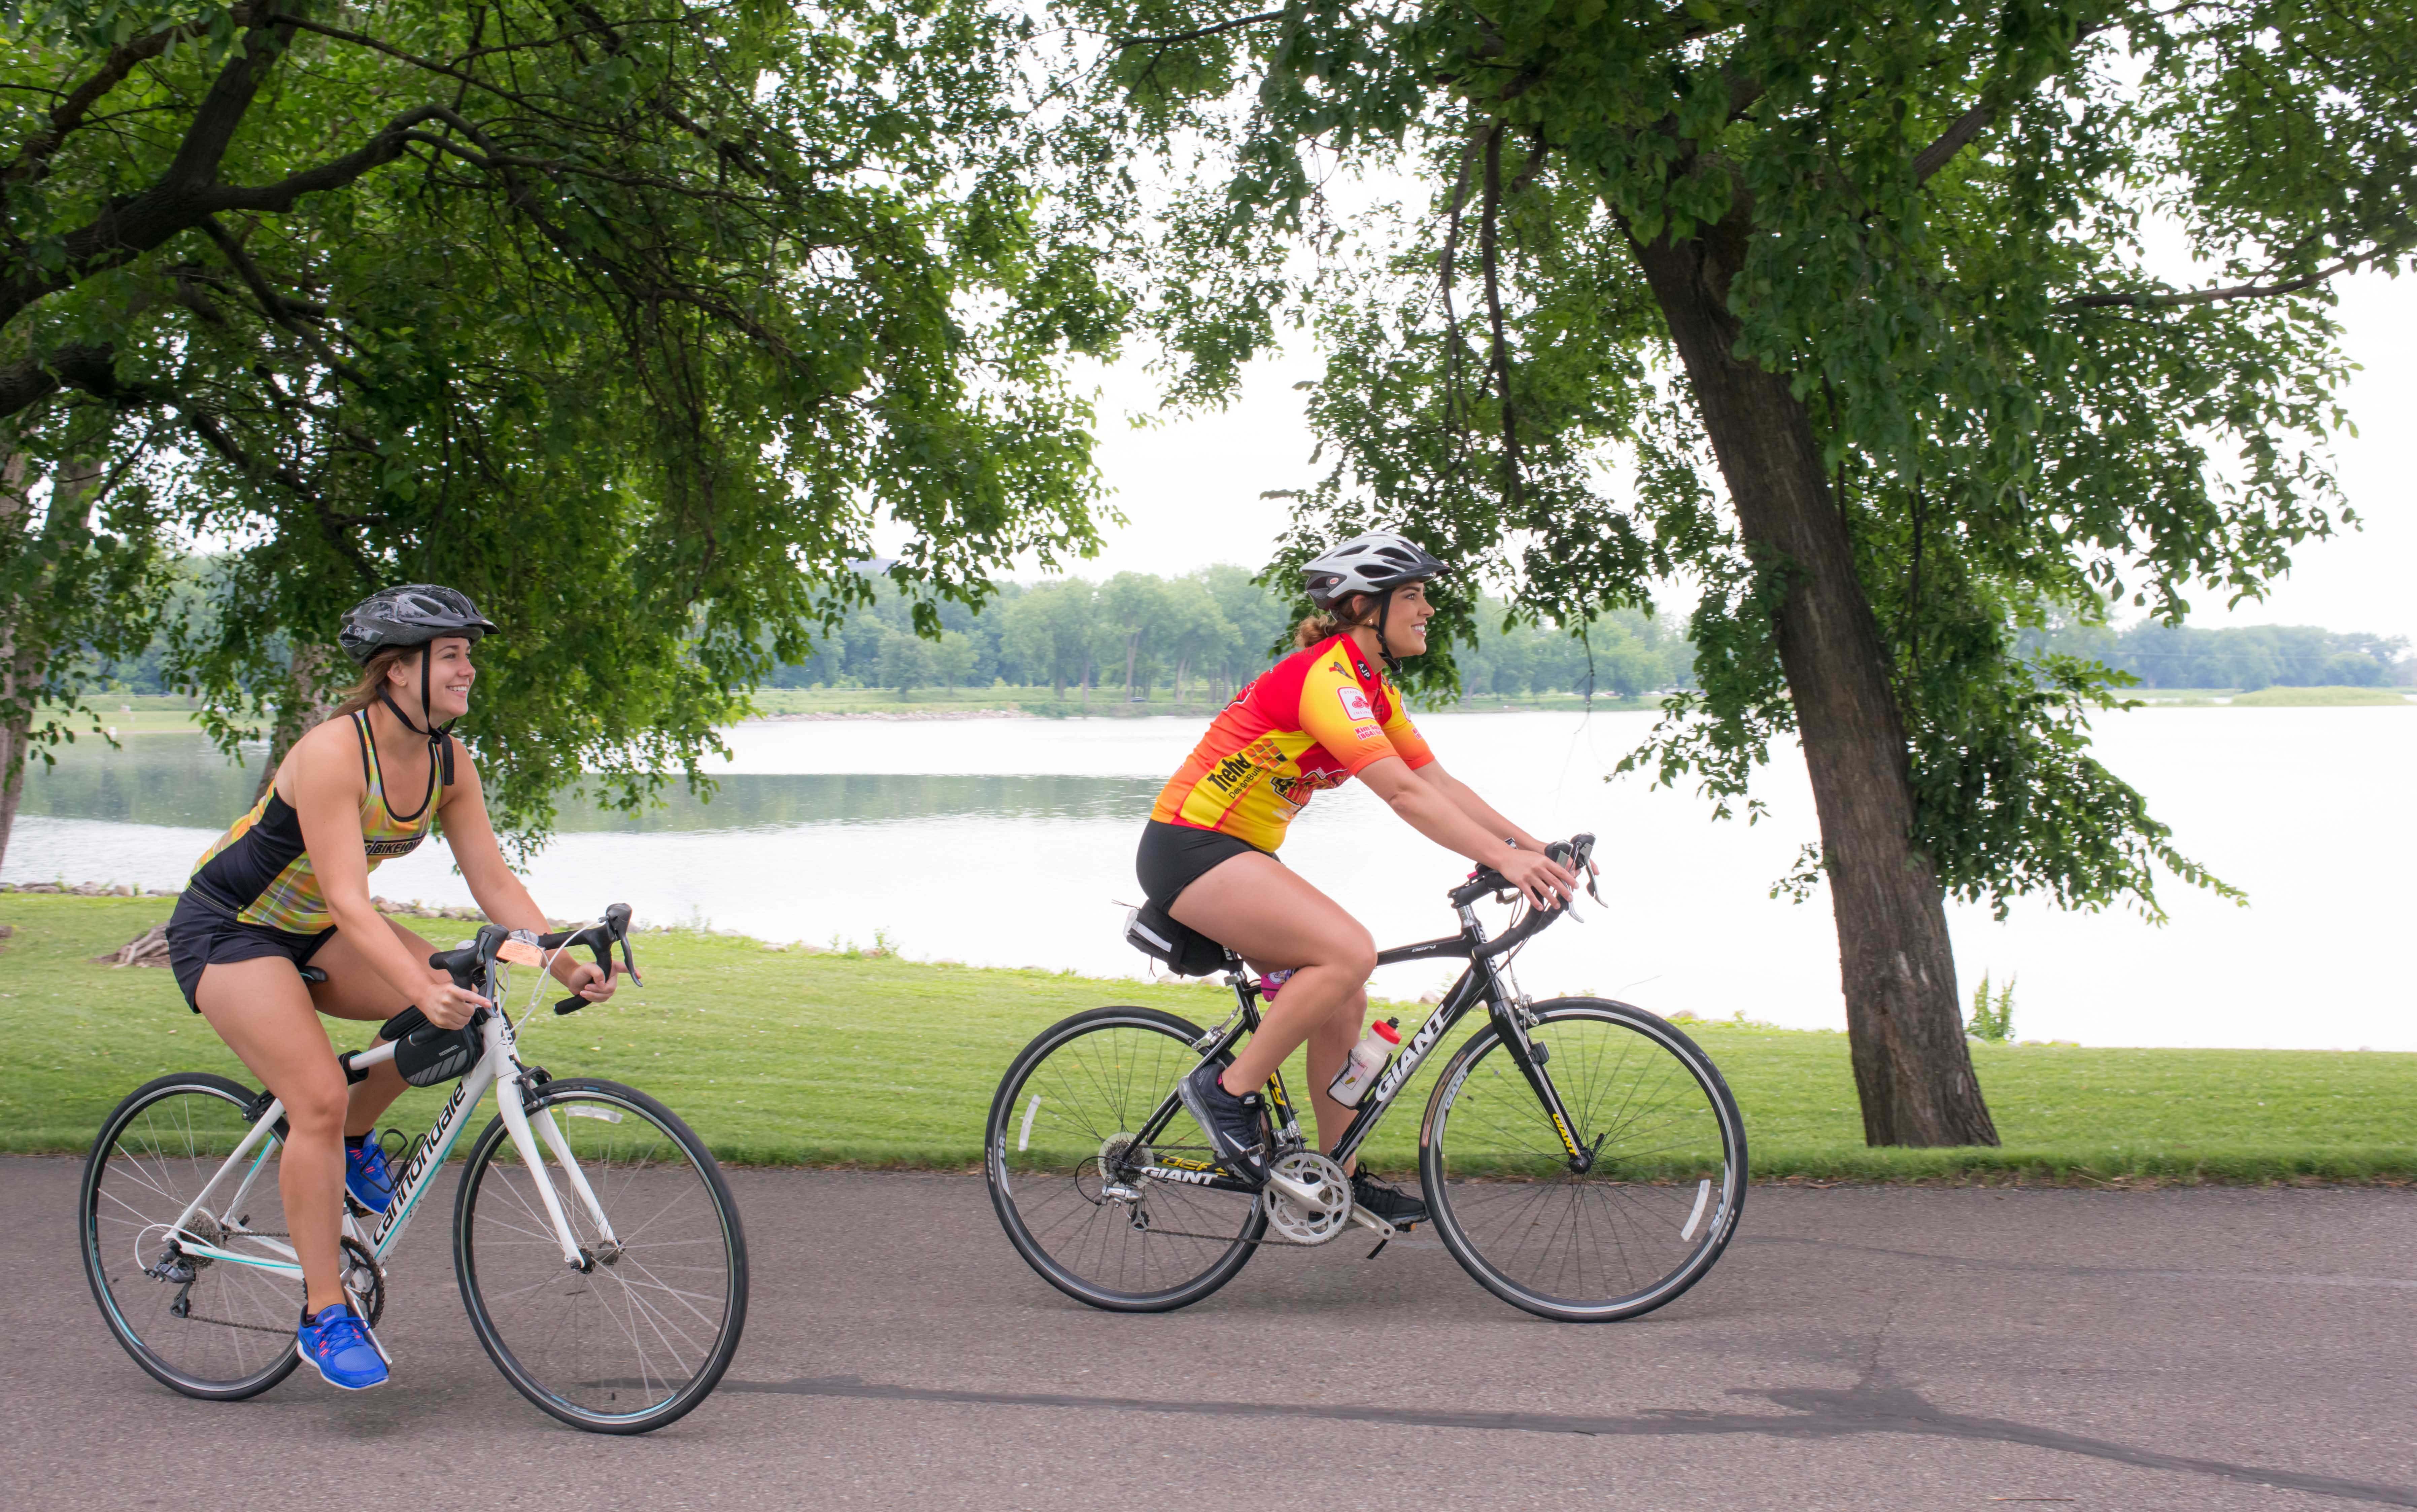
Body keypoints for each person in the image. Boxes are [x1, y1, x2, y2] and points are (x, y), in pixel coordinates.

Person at [164, 586, 617, 1392]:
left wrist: (560, 955)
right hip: (230, 930)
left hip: (315, 933)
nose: (469, 669)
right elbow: (348, 899)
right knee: (315, 1097)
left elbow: (492, 880)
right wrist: (419, 980)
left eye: (467, 655)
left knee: (464, 1002)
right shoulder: (338, 751)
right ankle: (323, 1312)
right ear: (398, 672)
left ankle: (346, 1144)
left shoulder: (447, 760)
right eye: (452, 656)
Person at [1140, 532, 1577, 1228]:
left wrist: (1531, 847)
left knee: (1344, 995)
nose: (1427, 609)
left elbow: (1435, 782)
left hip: (1239, 851)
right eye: (1411, 596)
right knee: (1347, 951)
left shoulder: (1369, 688)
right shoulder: (1325, 680)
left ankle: (1334, 1173)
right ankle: (1226, 1091)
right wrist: (1506, 859)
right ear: (1359, 607)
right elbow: (1401, 796)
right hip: (1191, 846)